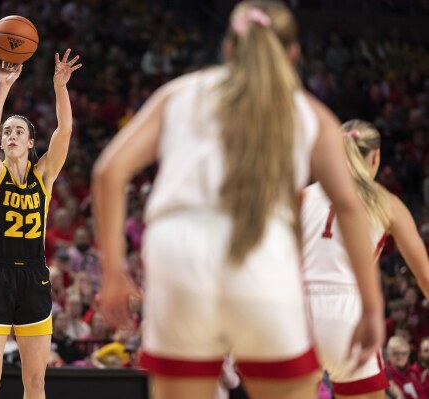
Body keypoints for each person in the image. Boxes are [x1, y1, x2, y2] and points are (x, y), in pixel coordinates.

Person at [92, 2, 384, 398]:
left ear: (228, 47)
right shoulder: (308, 111)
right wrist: (370, 306)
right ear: (293, 53)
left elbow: (109, 172)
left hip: (176, 253)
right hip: (261, 251)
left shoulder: (180, 92)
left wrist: (113, 272)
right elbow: (349, 206)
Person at [0, 49, 81, 399]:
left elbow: (64, 130)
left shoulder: (43, 175)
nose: (11, 135)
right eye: (7, 132)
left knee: (35, 382)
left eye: (19, 131)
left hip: (34, 275)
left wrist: (60, 87)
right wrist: (3, 87)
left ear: (31, 142)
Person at [302, 119, 429, 398]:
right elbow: (425, 276)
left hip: (296, 313)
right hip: (347, 315)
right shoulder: (386, 202)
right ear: (376, 156)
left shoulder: (301, 197)